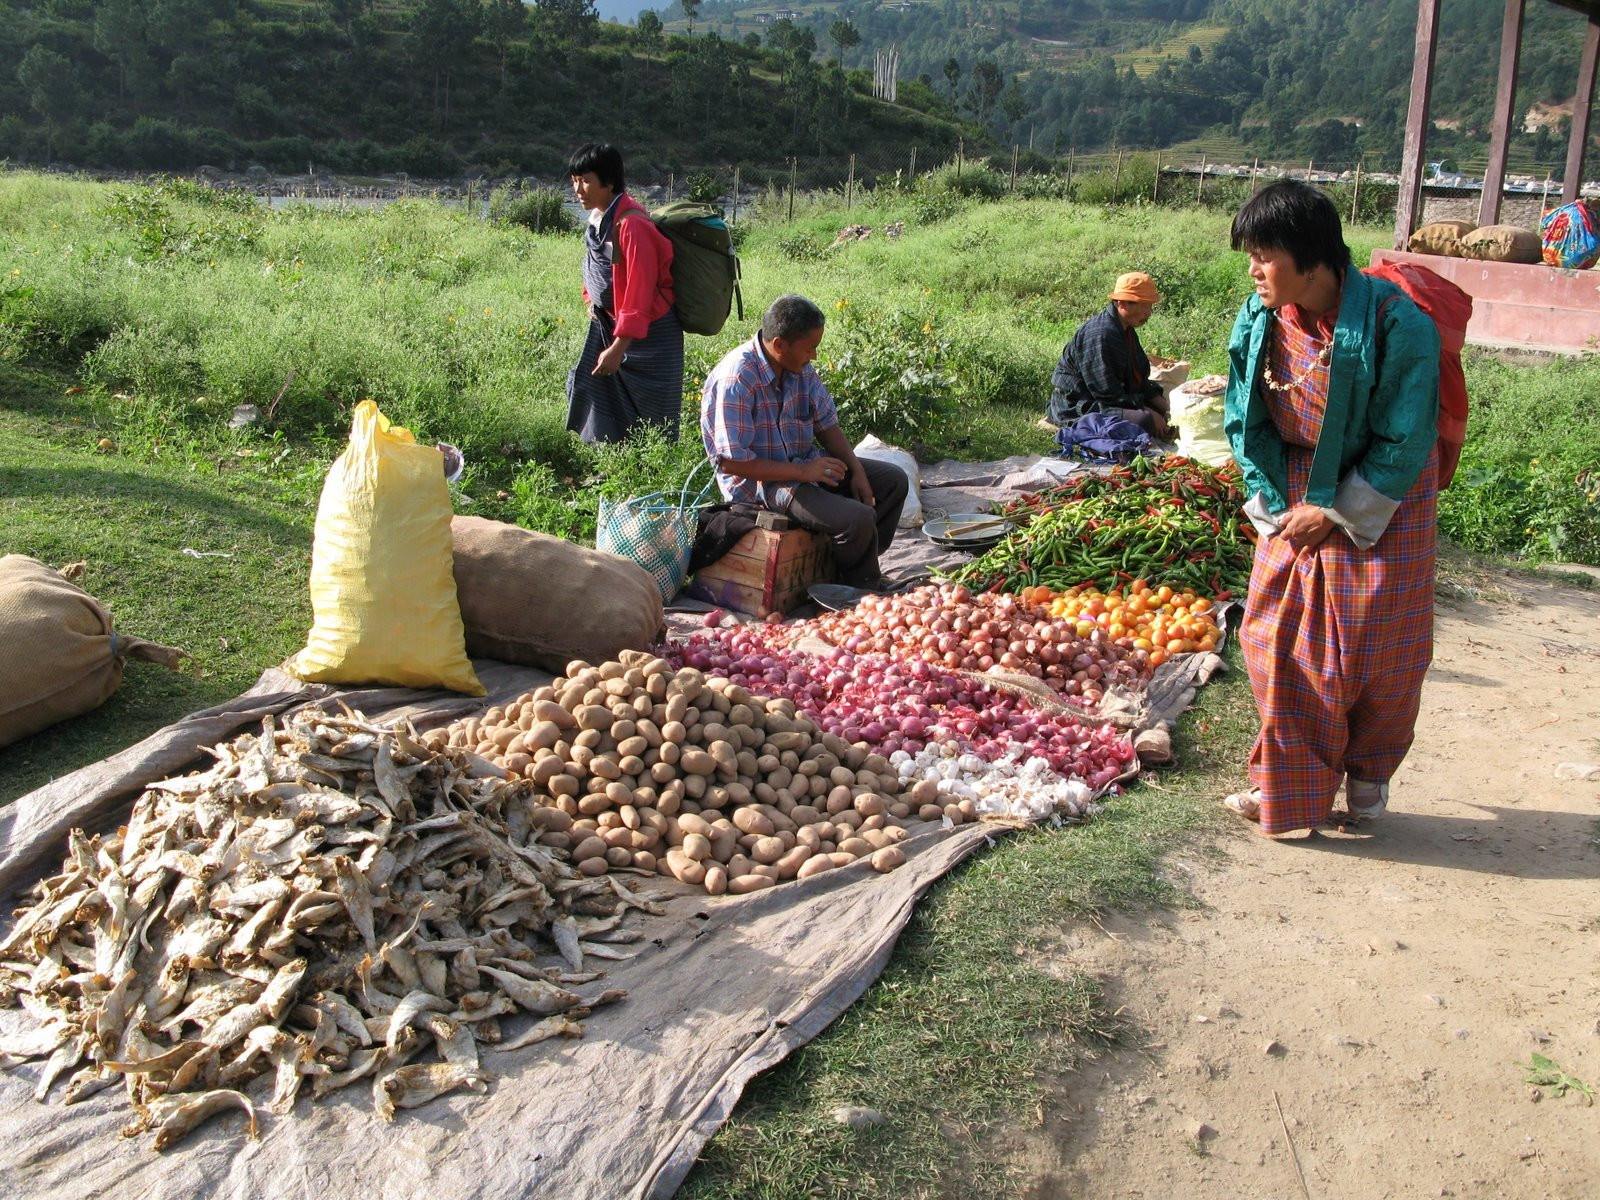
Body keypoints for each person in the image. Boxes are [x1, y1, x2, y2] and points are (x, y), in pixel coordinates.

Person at [1221, 180, 1441, 837]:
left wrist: (1340, 510)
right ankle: (1284, 786)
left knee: (1377, 652)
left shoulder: (1400, 326)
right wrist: (1273, 496)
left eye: (1266, 255)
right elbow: (1245, 416)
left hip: (1385, 491)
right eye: (1251, 255)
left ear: (1311, 260)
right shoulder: (1260, 318)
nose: (1254, 270)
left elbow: (1405, 436)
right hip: (1294, 482)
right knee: (1274, 639)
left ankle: (1369, 777)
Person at [700, 294, 909, 591]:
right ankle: (862, 590)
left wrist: (857, 471)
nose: (814, 356)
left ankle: (847, 565)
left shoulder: (798, 368)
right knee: (858, 519)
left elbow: (826, 424)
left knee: (892, 482)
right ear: (780, 345)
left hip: (803, 466)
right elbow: (732, 461)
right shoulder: (738, 378)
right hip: (762, 484)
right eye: (810, 349)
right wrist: (803, 472)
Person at [565, 143, 684, 443]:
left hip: (651, 336)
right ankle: (610, 459)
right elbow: (593, 268)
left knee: (653, 414)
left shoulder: (631, 225)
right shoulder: (597, 220)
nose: (579, 189)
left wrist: (619, 347)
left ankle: (652, 473)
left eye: (587, 180)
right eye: (575, 180)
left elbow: (639, 290)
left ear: (609, 180)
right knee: (590, 384)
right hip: (612, 325)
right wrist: (591, 299)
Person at [1046, 271, 1173, 438]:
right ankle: (1054, 422)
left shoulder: (1126, 329)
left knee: (1164, 412)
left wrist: (1167, 407)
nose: (1148, 313)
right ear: (1122, 304)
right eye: (1143, 305)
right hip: (1079, 403)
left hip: (1114, 397)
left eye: (1150, 306)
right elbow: (1106, 393)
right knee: (1145, 421)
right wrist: (1147, 411)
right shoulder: (1100, 334)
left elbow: (1139, 380)